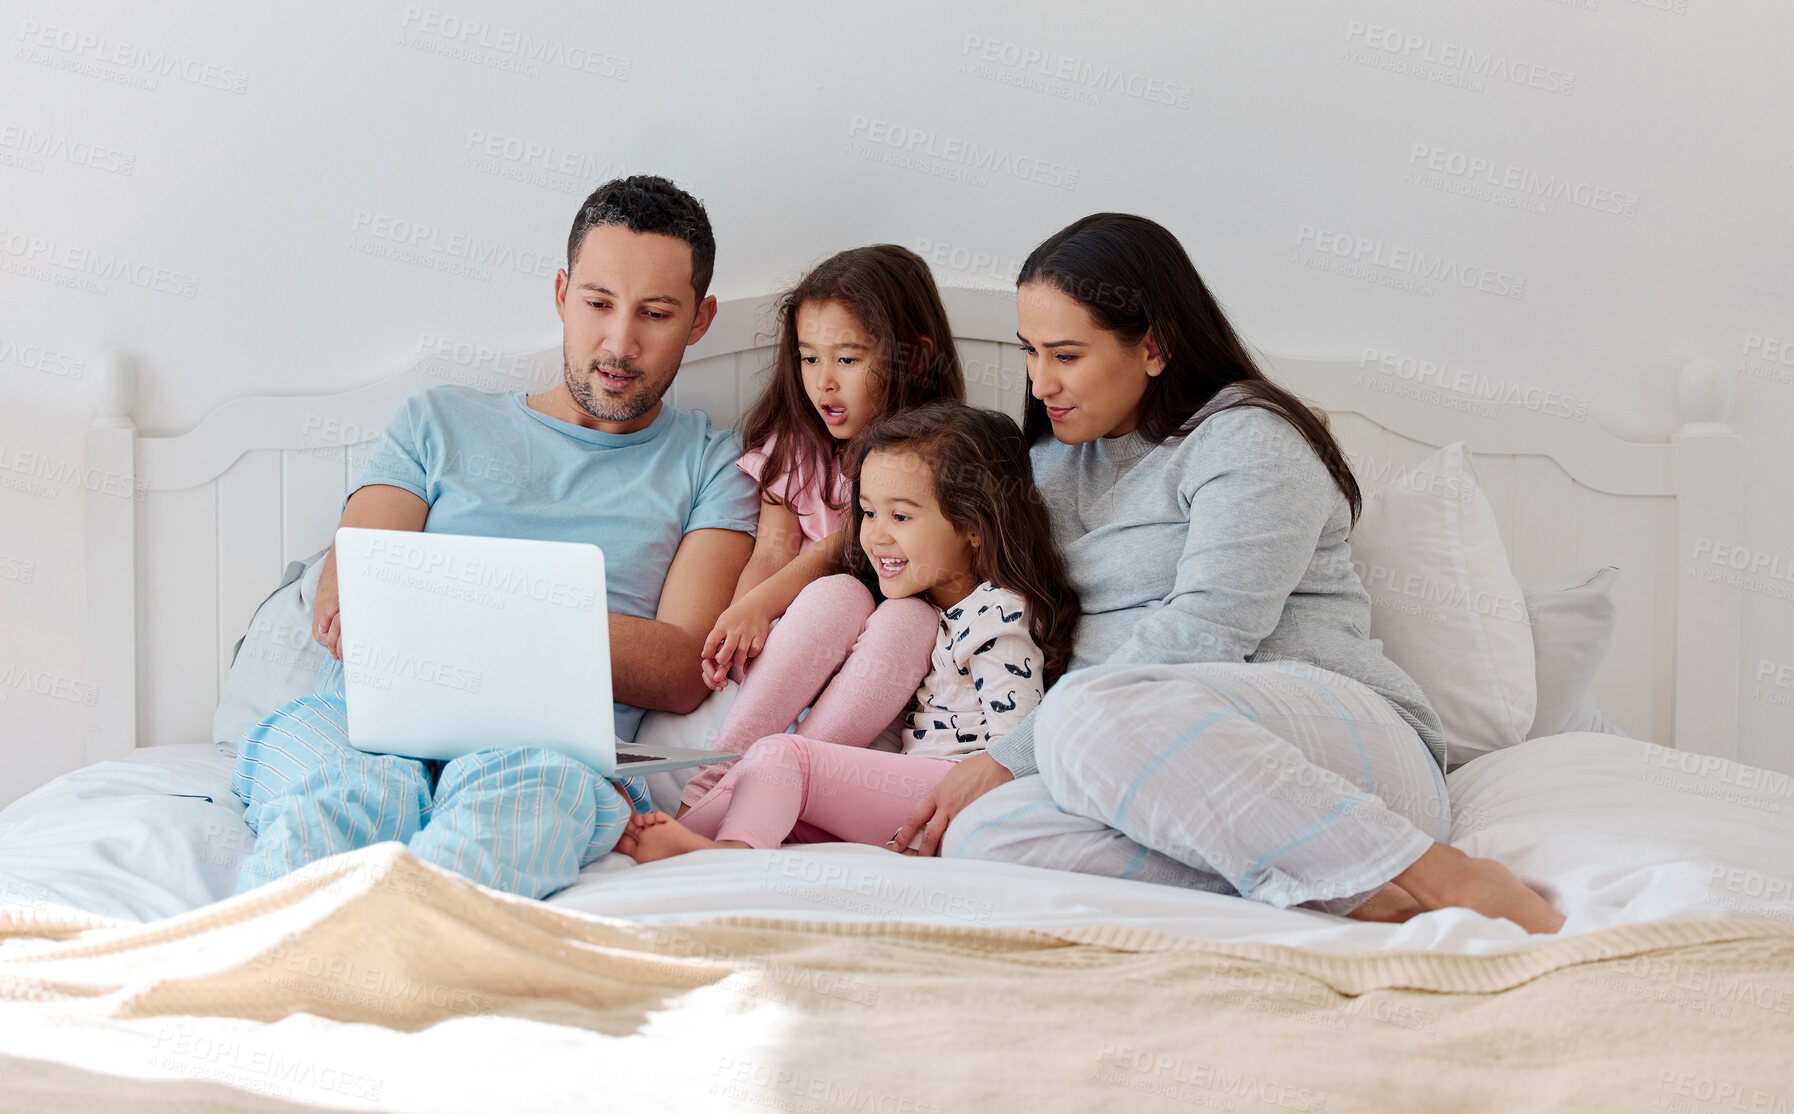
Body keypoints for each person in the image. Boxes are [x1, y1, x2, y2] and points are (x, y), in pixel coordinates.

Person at [884, 213, 1561, 934]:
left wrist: (1011, 753)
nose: (1040, 381)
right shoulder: (1047, 466)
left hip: (1340, 743)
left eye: (1067, 355)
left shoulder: (1251, 437)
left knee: (1086, 711)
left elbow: (1206, 630)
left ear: (1155, 346)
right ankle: (1358, 895)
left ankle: (1440, 873)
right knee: (985, 835)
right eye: (1030, 352)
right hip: (1142, 763)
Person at [229, 176, 760, 900]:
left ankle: (411, 974)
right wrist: (534, 627)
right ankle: (256, 978)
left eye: (656, 314)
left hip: (543, 747)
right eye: (597, 304)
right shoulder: (436, 423)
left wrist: (452, 612)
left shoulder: (714, 466)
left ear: (700, 322)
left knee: (503, 828)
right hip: (359, 725)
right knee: (334, 805)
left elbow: (678, 666)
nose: (619, 342)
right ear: (560, 295)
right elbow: (352, 594)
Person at [621, 400, 1078, 860]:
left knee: (782, 756)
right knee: (838, 601)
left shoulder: (996, 614)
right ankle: (715, 830)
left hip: (952, 794)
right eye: (868, 513)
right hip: (900, 789)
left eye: (900, 516)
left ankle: (716, 851)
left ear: (973, 526)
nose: (875, 536)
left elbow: (1011, 752)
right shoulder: (915, 611)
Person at [676, 246, 966, 814]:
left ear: (915, 358)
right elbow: (771, 554)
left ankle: (772, 787)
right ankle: (711, 787)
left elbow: (851, 540)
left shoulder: (943, 459)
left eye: (848, 360)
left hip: (882, 674)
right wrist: (745, 615)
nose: (823, 383)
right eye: (809, 359)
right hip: (800, 651)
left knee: (905, 612)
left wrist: (762, 602)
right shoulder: (797, 452)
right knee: (835, 595)